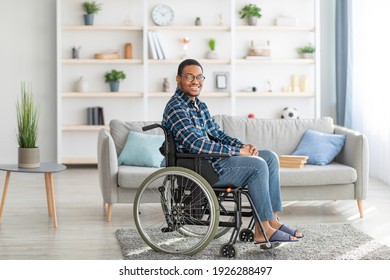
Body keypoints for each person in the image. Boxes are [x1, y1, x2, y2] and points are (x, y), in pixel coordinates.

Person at [162, 59, 303, 245]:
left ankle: (272, 220)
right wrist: (238, 152)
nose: (195, 81)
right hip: (201, 166)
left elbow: (217, 134)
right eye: (189, 77)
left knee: (268, 157)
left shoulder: (200, 106)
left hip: (212, 161)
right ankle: (262, 230)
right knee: (258, 166)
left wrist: (244, 146)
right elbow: (197, 145)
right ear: (179, 79)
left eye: (199, 77)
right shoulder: (176, 108)